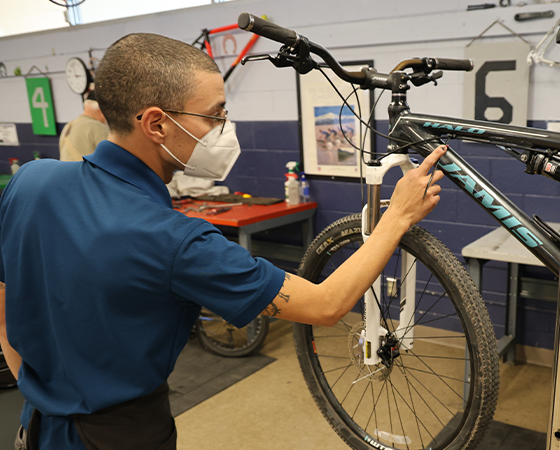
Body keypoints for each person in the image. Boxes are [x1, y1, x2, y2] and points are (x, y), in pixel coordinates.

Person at [0, 33, 447, 450]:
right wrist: (397, 217)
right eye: (214, 115)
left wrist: (44, 393)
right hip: (123, 434)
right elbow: (326, 304)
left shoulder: (31, 181)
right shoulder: (176, 240)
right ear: (156, 124)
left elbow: (3, 316)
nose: (223, 128)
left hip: (35, 424)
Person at [58, 90, 110, 161]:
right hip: (86, 172)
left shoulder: (69, 126)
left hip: (65, 171)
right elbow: (111, 160)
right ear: (102, 110)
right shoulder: (98, 127)